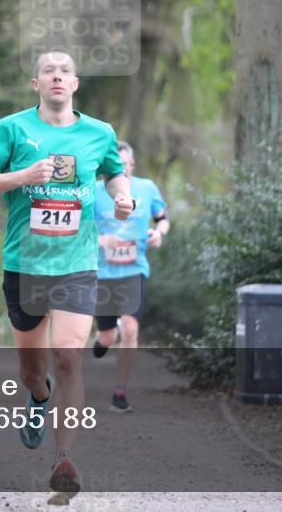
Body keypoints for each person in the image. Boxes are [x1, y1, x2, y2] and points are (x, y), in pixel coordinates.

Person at [0, 51, 134, 496]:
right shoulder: (12, 129)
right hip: (24, 265)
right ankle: (39, 398)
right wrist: (22, 175)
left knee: (68, 357)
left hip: (77, 265)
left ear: (75, 83)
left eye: (64, 71)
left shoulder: (100, 133)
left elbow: (116, 174)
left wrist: (124, 199)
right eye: (48, 71)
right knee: (33, 371)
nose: (56, 77)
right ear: (35, 84)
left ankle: (64, 459)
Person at [92, 141, 169, 412]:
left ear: (132, 165)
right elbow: (80, 232)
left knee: (131, 328)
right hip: (102, 273)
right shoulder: (93, 192)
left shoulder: (147, 189)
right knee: (108, 337)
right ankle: (102, 341)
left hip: (134, 270)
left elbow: (162, 218)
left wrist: (159, 232)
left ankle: (120, 391)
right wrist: (101, 241)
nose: (121, 171)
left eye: (125, 165)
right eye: (115, 166)